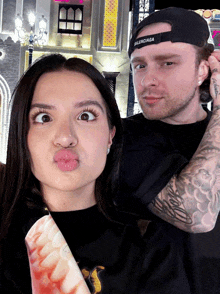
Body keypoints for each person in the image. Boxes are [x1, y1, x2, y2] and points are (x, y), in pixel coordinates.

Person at [0, 54, 192, 293]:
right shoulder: (6, 234)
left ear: (111, 136)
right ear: (22, 136)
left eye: (85, 116)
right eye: (44, 118)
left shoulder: (149, 243)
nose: (65, 137)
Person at [115, 7, 220, 294]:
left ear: (203, 69)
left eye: (167, 63)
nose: (147, 80)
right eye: (139, 65)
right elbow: (194, 214)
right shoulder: (122, 137)